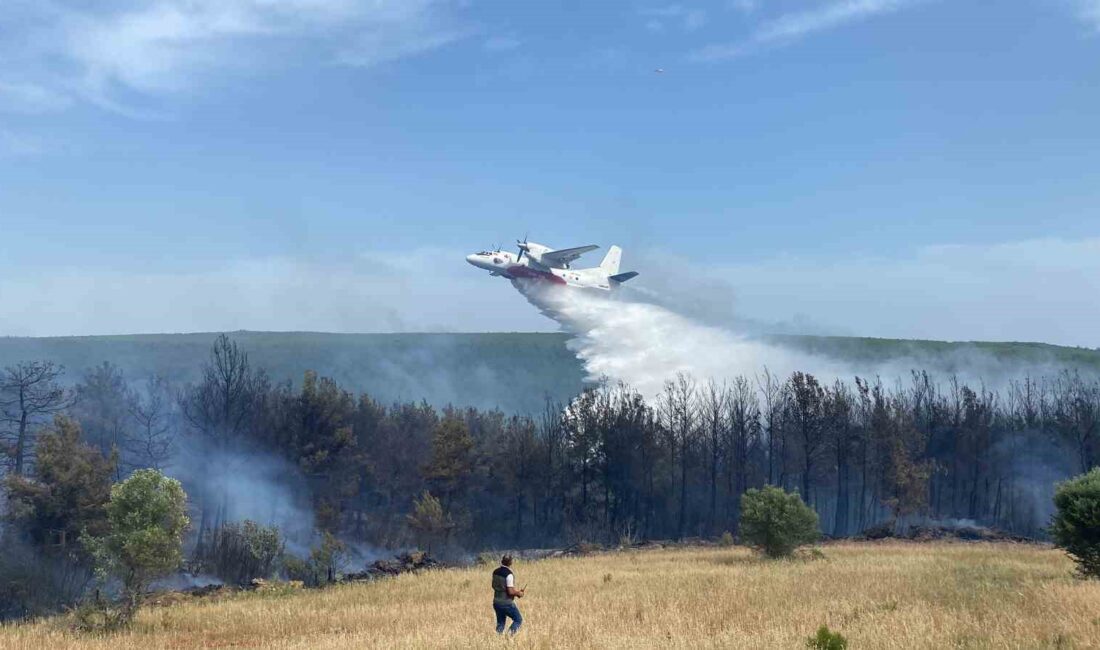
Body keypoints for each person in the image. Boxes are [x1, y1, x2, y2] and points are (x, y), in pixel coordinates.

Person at [491, 554, 524, 635]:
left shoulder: (495, 572)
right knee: (518, 620)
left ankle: (497, 640)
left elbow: (493, 586)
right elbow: (510, 592)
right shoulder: (509, 575)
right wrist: (519, 593)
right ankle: (509, 636)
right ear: (510, 562)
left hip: (496, 602)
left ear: (502, 561)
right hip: (506, 603)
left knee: (500, 623)